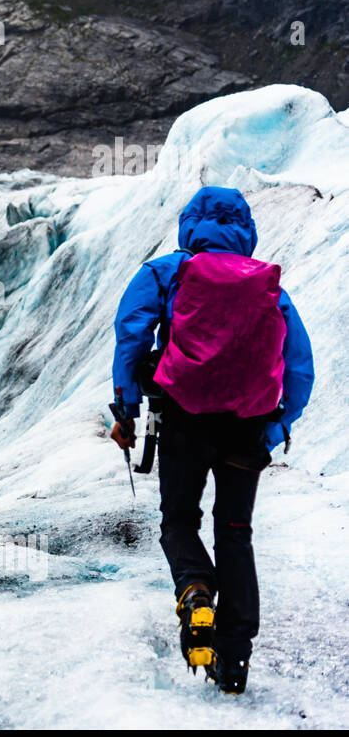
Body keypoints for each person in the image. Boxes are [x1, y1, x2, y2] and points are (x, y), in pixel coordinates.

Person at [111, 186, 314, 695]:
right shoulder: (267, 285)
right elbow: (299, 366)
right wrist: (274, 426)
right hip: (247, 426)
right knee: (235, 534)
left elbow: (132, 334)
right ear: (245, 230)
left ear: (189, 225)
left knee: (179, 520)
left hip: (184, 420)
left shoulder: (166, 271)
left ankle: (196, 588)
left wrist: (126, 406)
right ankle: (235, 660)